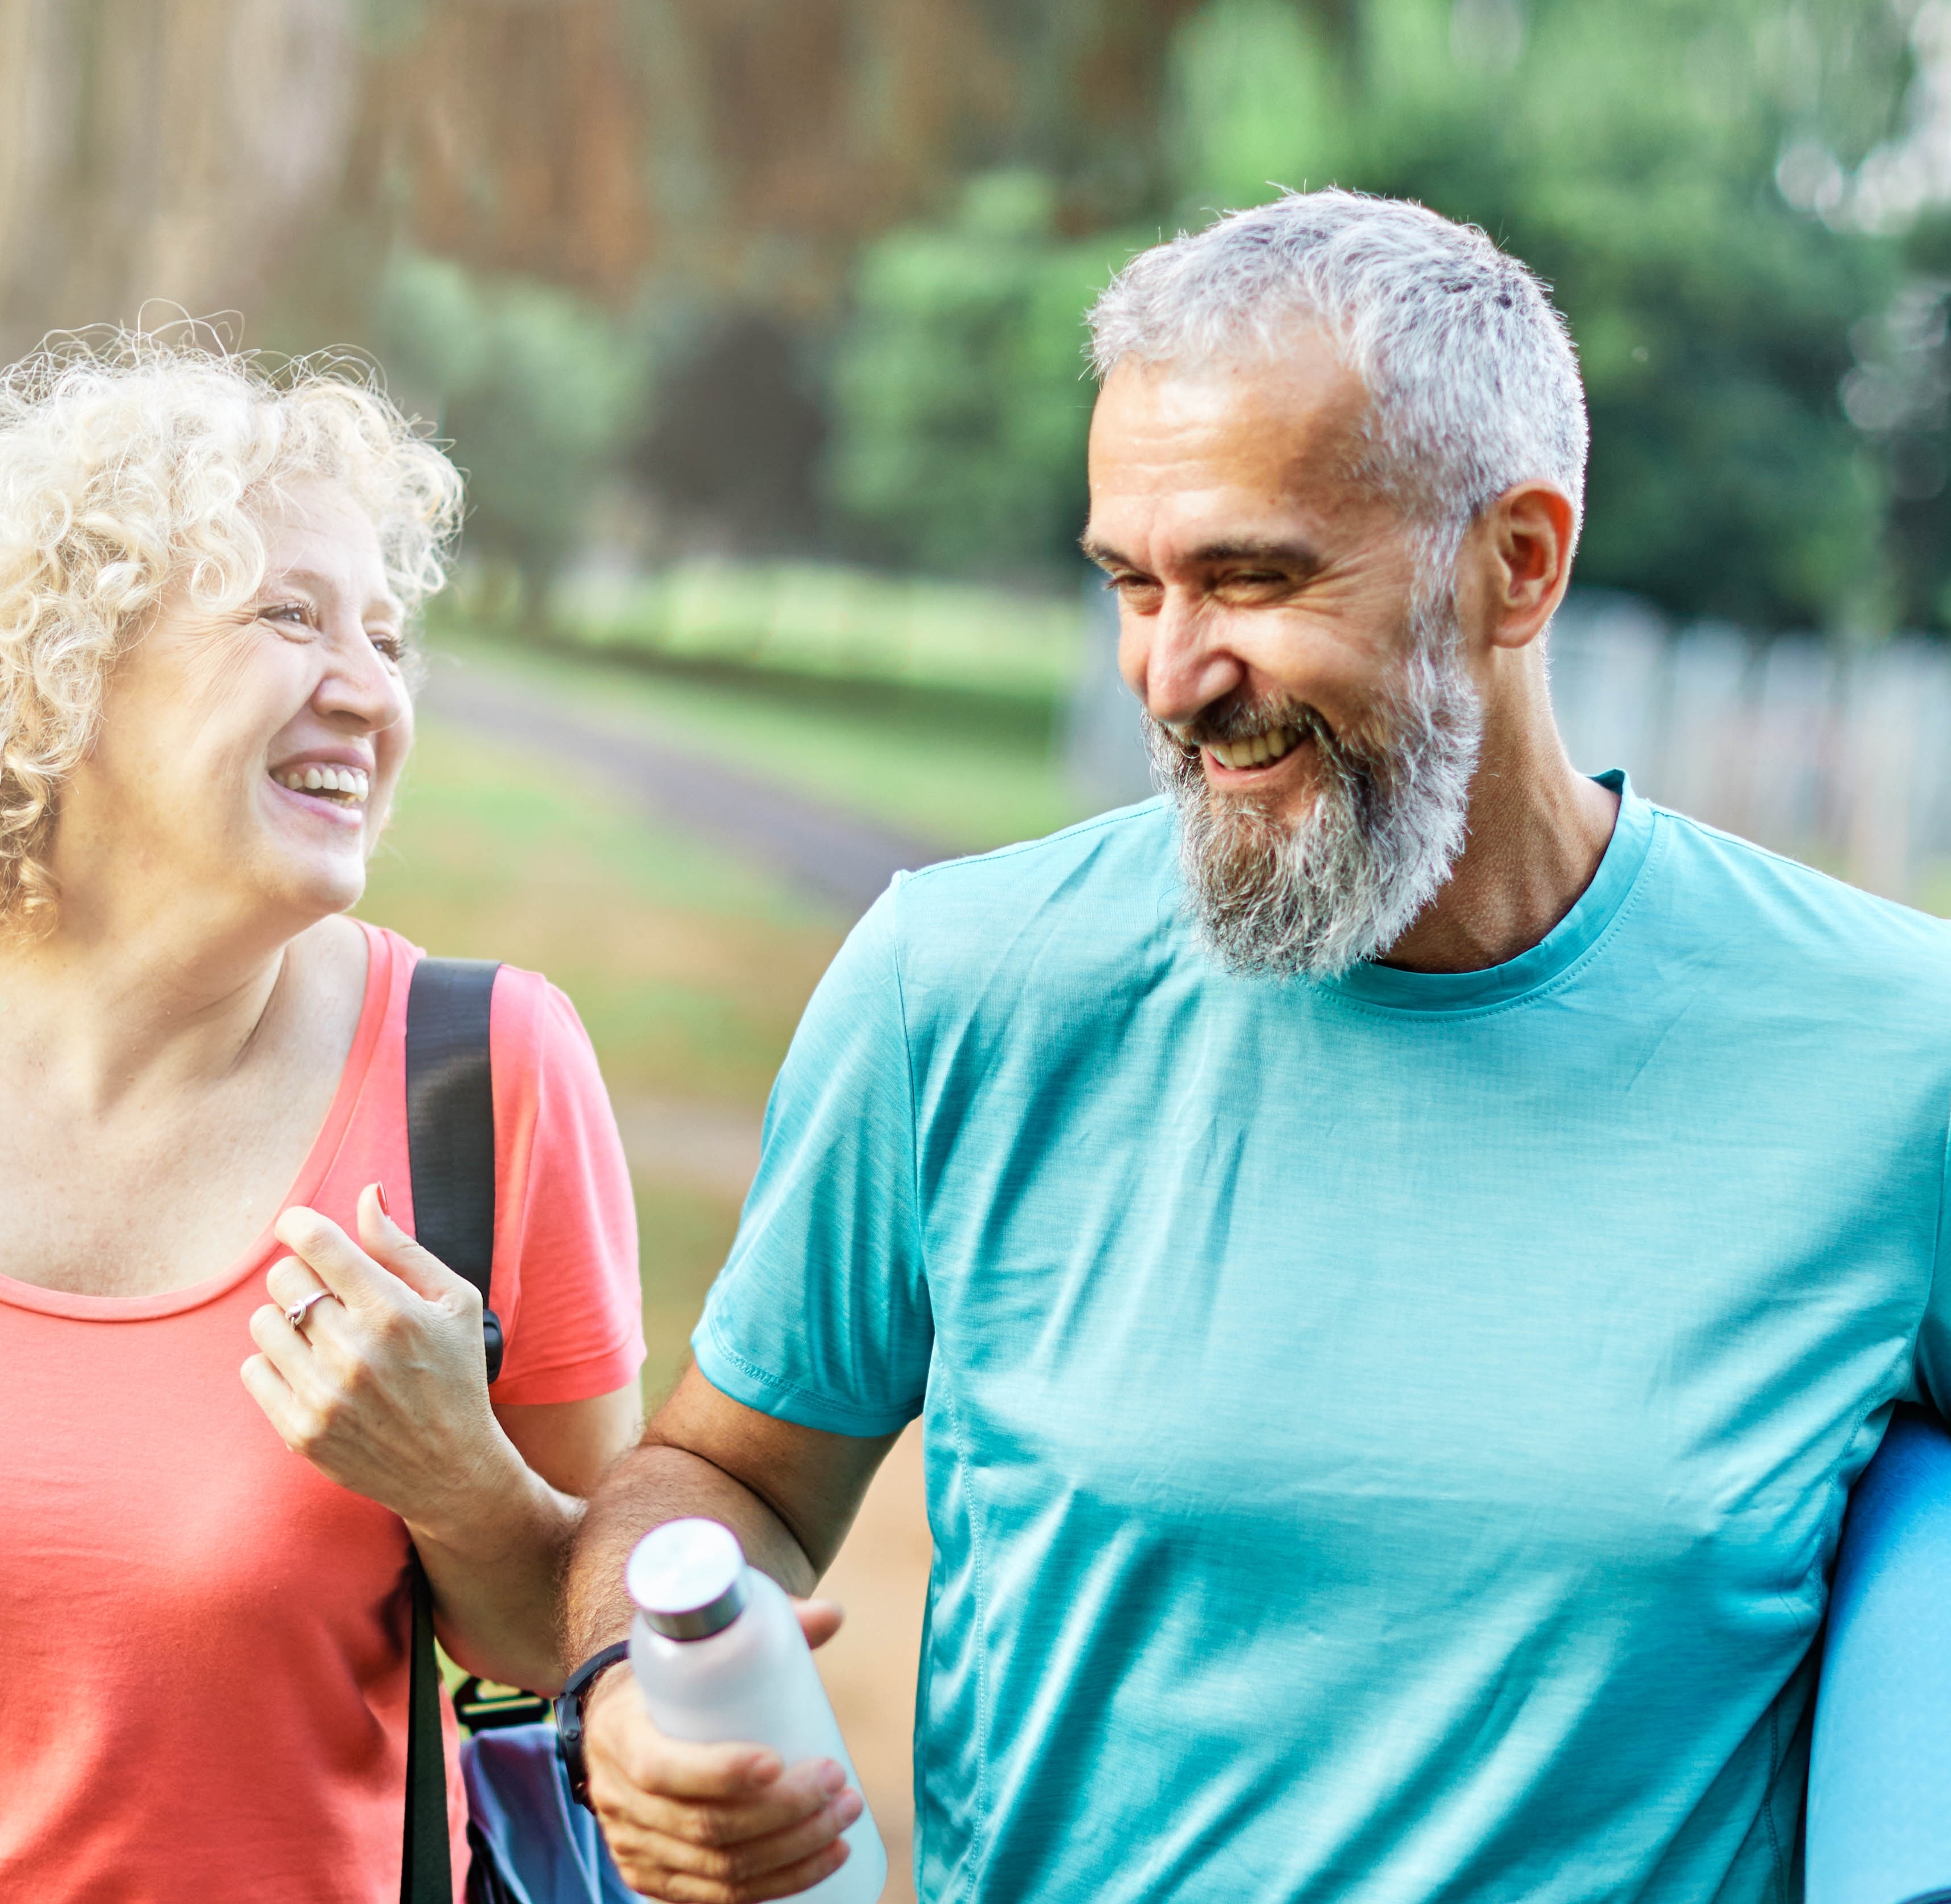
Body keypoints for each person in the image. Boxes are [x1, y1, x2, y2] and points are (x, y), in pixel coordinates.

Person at [561, 190, 1951, 1903]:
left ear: (1518, 563)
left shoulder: (1899, 1058)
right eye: (1133, 584)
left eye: (1251, 578)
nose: (1170, 672)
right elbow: (715, 1474)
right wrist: (632, 1678)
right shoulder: (963, 988)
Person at [0, 333, 646, 1901]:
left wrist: (454, 1473)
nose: (372, 694)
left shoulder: (477, 1073)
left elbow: (565, 1642)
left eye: (389, 637)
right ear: (62, 670)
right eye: (290, 617)